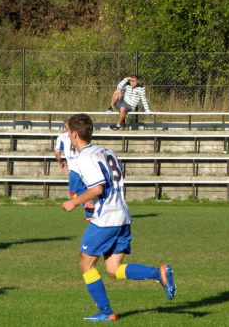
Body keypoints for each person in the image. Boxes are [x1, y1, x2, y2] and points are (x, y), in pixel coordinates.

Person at [61, 113, 176, 322]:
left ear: (75, 134)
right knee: (113, 268)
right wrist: (93, 202)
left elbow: (97, 188)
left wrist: (74, 202)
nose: (68, 136)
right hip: (122, 216)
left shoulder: (84, 157)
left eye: (68, 133)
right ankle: (158, 273)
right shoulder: (105, 151)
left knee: (85, 264)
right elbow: (109, 185)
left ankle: (107, 312)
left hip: (106, 220)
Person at [55, 118, 92, 221]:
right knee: (84, 190)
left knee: (73, 192)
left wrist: (60, 162)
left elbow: (57, 153)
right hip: (84, 166)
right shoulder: (80, 135)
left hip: (74, 169)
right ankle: (91, 212)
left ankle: (90, 212)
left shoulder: (61, 137)